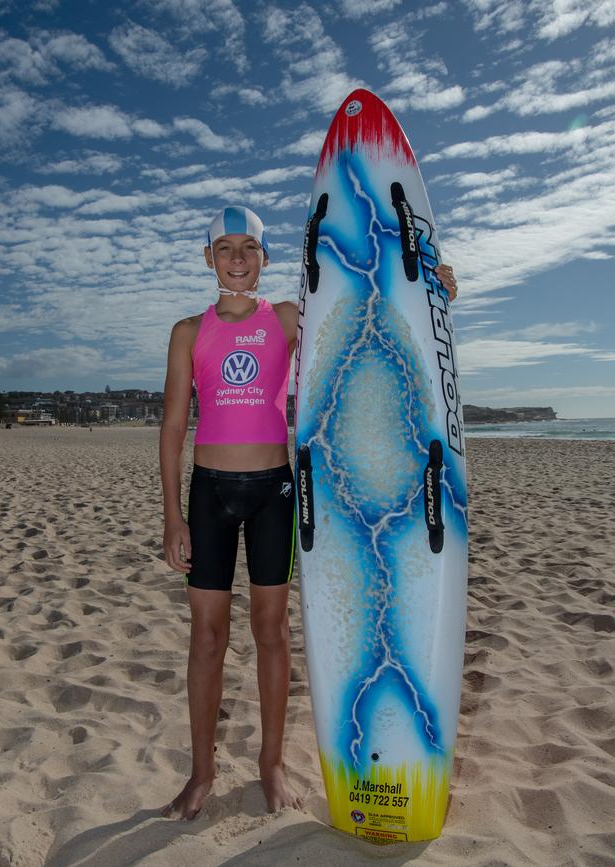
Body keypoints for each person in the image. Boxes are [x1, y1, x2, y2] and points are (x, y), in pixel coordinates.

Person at [159, 205, 458, 821]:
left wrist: (432, 285)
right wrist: (172, 514)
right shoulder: (189, 331)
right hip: (209, 493)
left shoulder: (290, 318)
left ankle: (270, 763)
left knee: (272, 631)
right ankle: (202, 772)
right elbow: (171, 426)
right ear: (207, 258)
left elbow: (370, 312)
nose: (237, 259)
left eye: (249, 248)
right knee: (207, 636)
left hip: (275, 491)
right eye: (225, 249)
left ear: (266, 258)